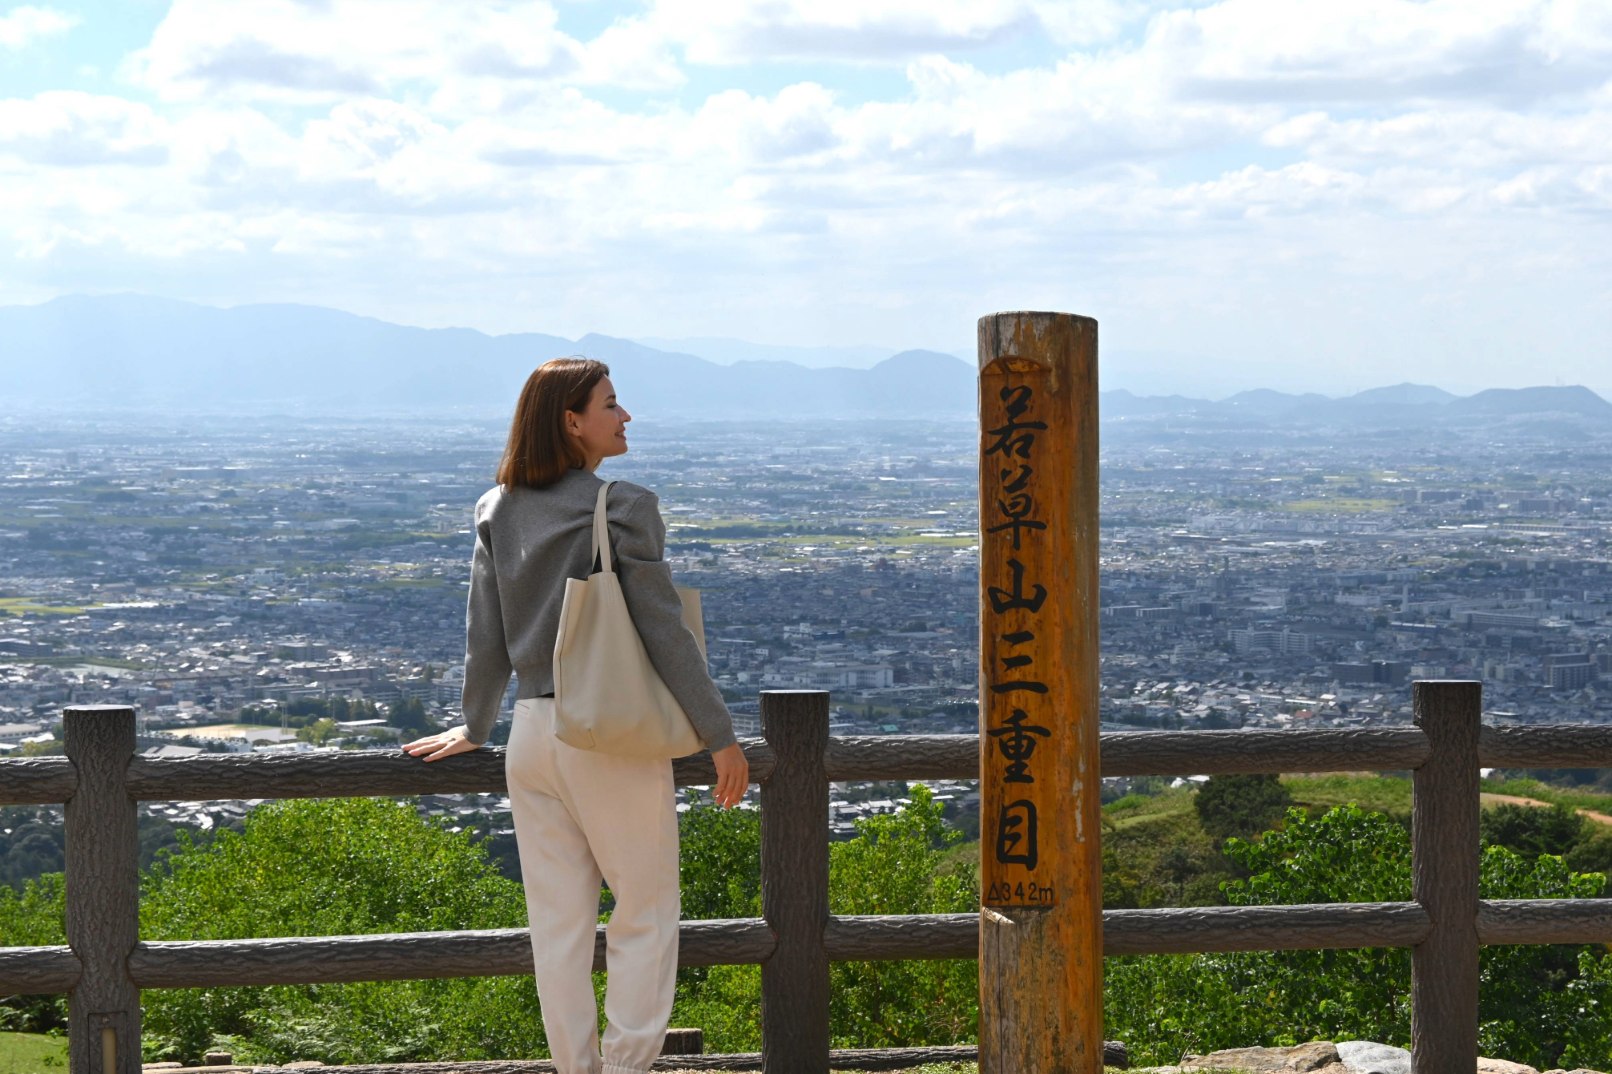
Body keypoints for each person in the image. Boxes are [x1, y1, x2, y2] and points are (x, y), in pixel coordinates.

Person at [404, 357, 749, 1074]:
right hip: (607, 736)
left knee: (557, 927)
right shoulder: (622, 505)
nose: (626, 417)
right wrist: (720, 736)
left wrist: (475, 725)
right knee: (645, 913)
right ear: (572, 420)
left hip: (530, 737)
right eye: (612, 404)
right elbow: (663, 631)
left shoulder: (495, 506)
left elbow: (485, 632)